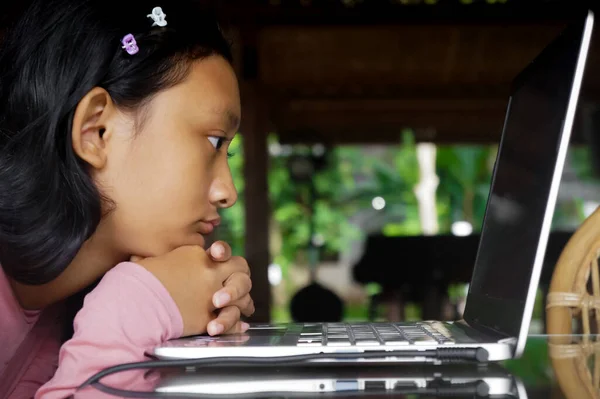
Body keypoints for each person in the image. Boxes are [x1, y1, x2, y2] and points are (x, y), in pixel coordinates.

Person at [0, 0, 254, 397]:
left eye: (229, 151)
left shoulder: (71, 309)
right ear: (96, 131)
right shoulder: (124, 305)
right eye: (213, 141)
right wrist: (137, 306)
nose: (228, 192)